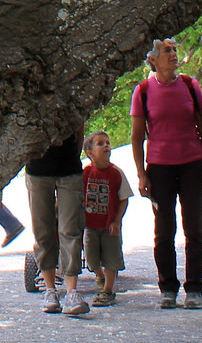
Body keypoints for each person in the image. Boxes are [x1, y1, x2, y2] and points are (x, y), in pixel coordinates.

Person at [131, 38, 202, 309]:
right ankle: (168, 287)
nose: (173, 54)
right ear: (153, 59)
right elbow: (136, 137)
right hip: (159, 168)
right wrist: (142, 174)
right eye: (167, 51)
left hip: (192, 164)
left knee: (195, 228)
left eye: (175, 50)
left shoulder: (190, 86)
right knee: (164, 230)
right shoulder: (143, 90)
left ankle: (194, 289)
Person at [24, 130, 91, 316]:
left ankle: (72, 293)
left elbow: (79, 128)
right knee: (42, 231)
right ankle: (50, 290)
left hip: (69, 169)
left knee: (70, 231)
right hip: (37, 170)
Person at [80, 129, 132, 307]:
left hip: (110, 226)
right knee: (91, 259)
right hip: (90, 225)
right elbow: (79, 197)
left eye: (108, 143)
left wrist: (117, 220)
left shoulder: (116, 173)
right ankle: (100, 276)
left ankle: (108, 290)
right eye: (100, 143)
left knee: (111, 258)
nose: (106, 146)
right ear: (90, 153)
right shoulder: (86, 173)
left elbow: (124, 199)